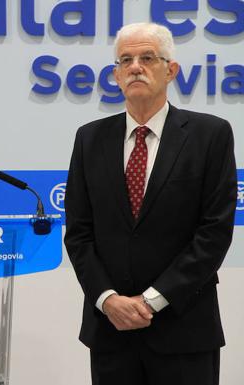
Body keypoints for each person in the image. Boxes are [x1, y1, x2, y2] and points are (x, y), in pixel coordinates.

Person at [64, 22, 237, 385]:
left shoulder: (210, 135)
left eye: (147, 58)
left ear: (171, 70)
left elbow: (213, 234)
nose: (135, 67)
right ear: (115, 75)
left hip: (184, 329)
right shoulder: (89, 139)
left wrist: (152, 300)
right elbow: (79, 234)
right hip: (111, 333)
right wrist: (108, 299)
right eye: (125, 60)